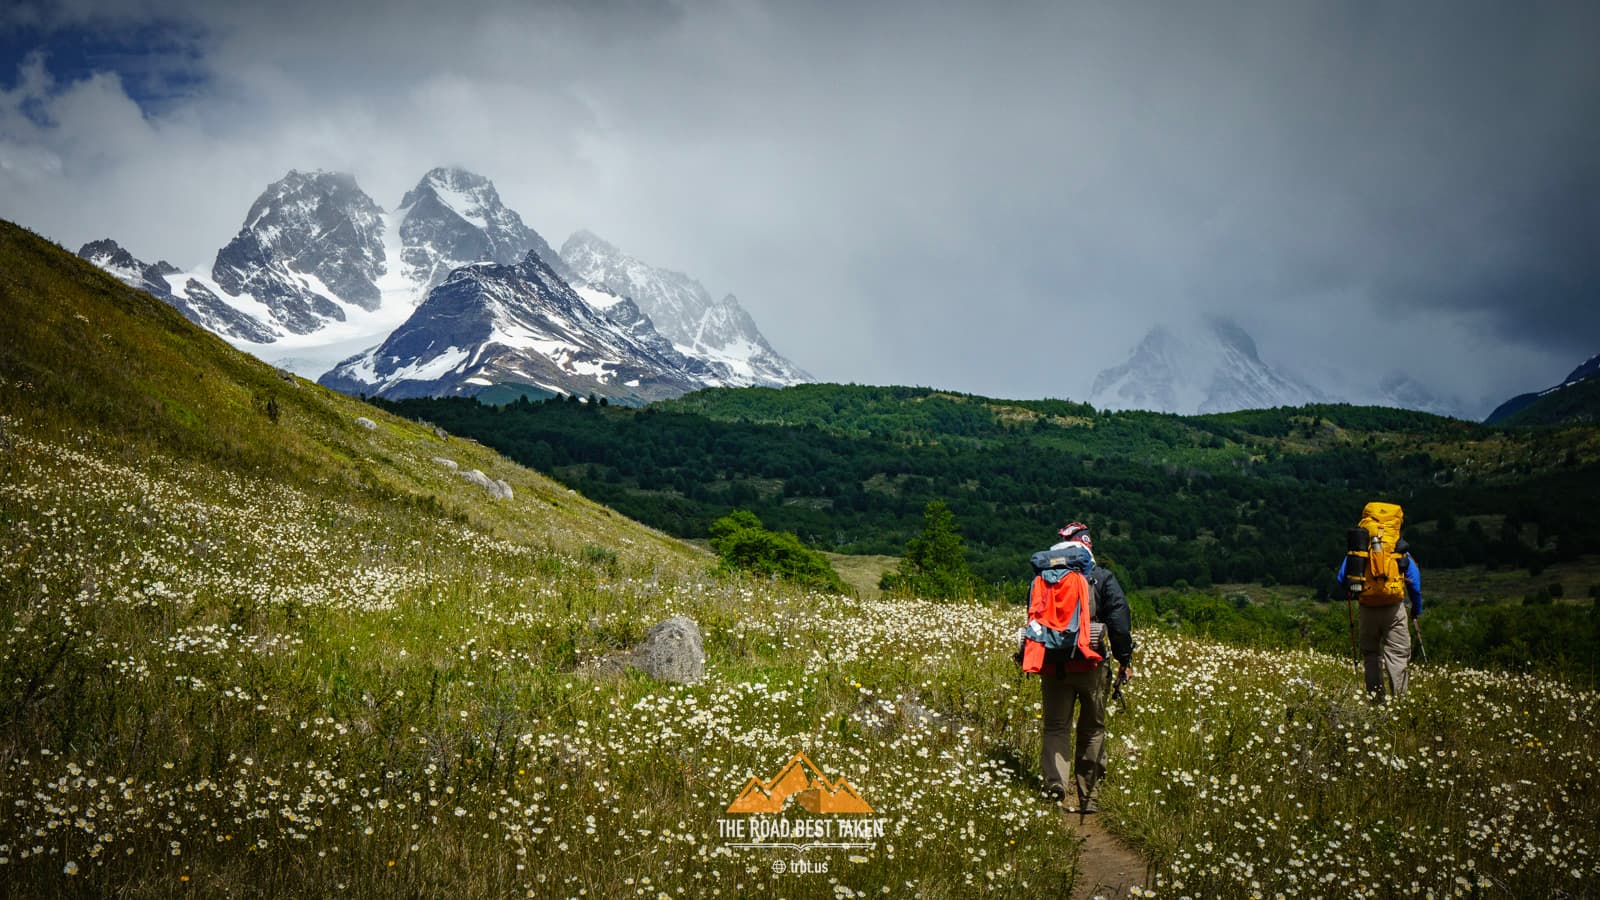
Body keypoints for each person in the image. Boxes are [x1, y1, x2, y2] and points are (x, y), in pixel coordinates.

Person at [1024, 522, 1134, 814]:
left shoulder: (1043, 578)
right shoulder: (1101, 577)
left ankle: (1054, 785)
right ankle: (1090, 794)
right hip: (1091, 663)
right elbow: (1120, 622)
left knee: (1056, 726)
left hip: (1052, 665)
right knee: (1093, 728)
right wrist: (1125, 660)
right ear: (1087, 547)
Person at [1337, 538, 1423, 699]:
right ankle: (1399, 702)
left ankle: (1376, 701)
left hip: (1367, 609)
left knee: (1370, 654)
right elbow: (1415, 584)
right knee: (1397, 655)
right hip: (1394, 609)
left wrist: (1358, 591)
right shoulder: (1400, 551)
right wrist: (1416, 609)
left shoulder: (1359, 551)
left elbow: (1341, 578)